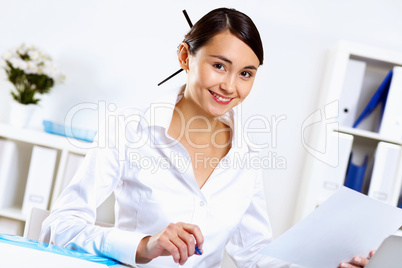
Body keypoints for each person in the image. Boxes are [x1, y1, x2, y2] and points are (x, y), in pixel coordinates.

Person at [40, 7, 372, 268]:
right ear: (185, 57)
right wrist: (145, 246)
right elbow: (60, 227)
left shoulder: (247, 152)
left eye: (246, 73)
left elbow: (253, 255)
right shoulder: (129, 130)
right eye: (219, 66)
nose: (230, 86)